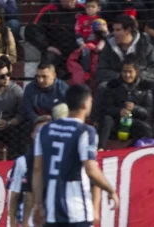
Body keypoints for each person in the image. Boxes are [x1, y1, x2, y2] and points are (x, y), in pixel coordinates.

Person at [32, 84, 119, 226]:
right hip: (77, 210)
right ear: (86, 104)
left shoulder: (45, 130)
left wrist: (38, 204)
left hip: (52, 210)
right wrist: (110, 190)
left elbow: (37, 169)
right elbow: (91, 169)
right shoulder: (85, 131)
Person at [98, 55, 154, 149]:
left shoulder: (145, 87)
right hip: (117, 123)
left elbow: (147, 113)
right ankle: (100, 148)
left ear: (136, 72)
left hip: (134, 123)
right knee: (107, 119)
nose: (127, 75)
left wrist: (135, 109)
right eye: (124, 71)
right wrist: (119, 111)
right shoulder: (113, 85)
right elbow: (106, 108)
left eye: (130, 72)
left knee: (146, 128)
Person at [25, 0, 85, 75]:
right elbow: (32, 30)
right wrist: (46, 46)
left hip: (79, 51)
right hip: (57, 52)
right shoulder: (49, 11)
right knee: (48, 60)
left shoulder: (82, 10)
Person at [8, 116, 51, 227]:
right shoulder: (22, 162)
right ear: (32, 135)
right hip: (30, 221)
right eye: (39, 131)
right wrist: (12, 224)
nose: (43, 135)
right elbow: (14, 196)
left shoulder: (60, 160)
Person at [96, 14, 154, 84]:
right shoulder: (108, 47)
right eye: (113, 30)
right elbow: (101, 71)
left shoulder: (146, 46)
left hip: (141, 84)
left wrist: (135, 76)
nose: (114, 33)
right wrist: (121, 76)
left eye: (118, 30)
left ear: (128, 30)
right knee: (102, 86)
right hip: (115, 85)